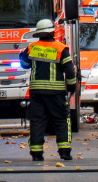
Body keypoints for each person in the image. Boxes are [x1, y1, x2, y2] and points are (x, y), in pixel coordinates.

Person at [20, 18, 77, 162]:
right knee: (60, 121)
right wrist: (72, 87)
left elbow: (25, 64)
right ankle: (64, 152)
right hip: (56, 93)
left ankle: (36, 153)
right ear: (52, 32)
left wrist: (22, 55)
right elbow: (69, 70)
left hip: (37, 93)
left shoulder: (32, 47)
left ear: (39, 34)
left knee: (37, 121)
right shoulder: (61, 48)